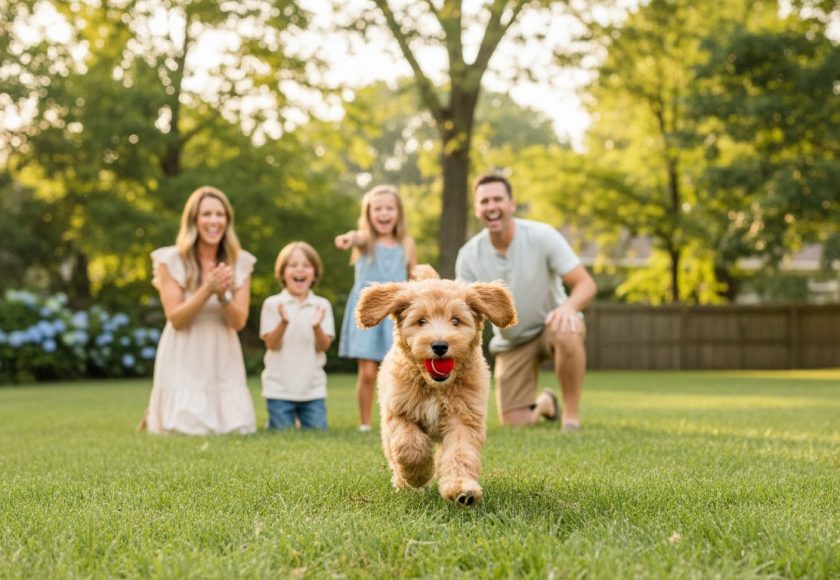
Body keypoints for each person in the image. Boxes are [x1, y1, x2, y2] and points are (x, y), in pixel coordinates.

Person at [455, 173, 597, 430]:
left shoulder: (542, 236)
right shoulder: (468, 256)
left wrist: (567, 308)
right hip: (512, 341)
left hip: (550, 327)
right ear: (477, 209)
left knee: (567, 326)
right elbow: (464, 314)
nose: (491, 207)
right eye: (484, 201)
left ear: (511, 204)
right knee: (515, 423)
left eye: (498, 199)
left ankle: (571, 417)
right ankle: (546, 404)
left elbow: (586, 284)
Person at [143, 186, 257, 435]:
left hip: (221, 352)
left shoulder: (241, 262)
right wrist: (207, 289)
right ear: (194, 219)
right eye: (207, 214)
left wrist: (223, 295)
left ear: (227, 220)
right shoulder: (170, 260)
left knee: (238, 429)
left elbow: (238, 322)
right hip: (184, 350)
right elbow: (176, 319)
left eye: (220, 214)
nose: (214, 221)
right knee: (186, 429)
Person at [335, 185, 416, 432]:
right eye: (377, 209)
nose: (383, 213)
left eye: (389, 208)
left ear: (398, 213)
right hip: (369, 312)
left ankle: (397, 418)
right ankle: (365, 423)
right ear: (368, 214)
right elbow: (356, 237)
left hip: (394, 312)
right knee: (368, 372)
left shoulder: (406, 244)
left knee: (399, 370)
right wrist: (349, 238)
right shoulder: (366, 241)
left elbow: (414, 274)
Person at [259, 242, 335, 430]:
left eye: (306, 265)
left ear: (314, 274)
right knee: (281, 433)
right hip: (279, 390)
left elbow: (324, 346)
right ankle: (275, 421)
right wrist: (283, 322)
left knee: (318, 432)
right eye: (293, 265)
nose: (299, 269)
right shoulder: (272, 304)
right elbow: (271, 344)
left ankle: (299, 419)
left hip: (312, 390)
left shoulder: (322, 305)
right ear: (283, 273)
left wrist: (317, 326)